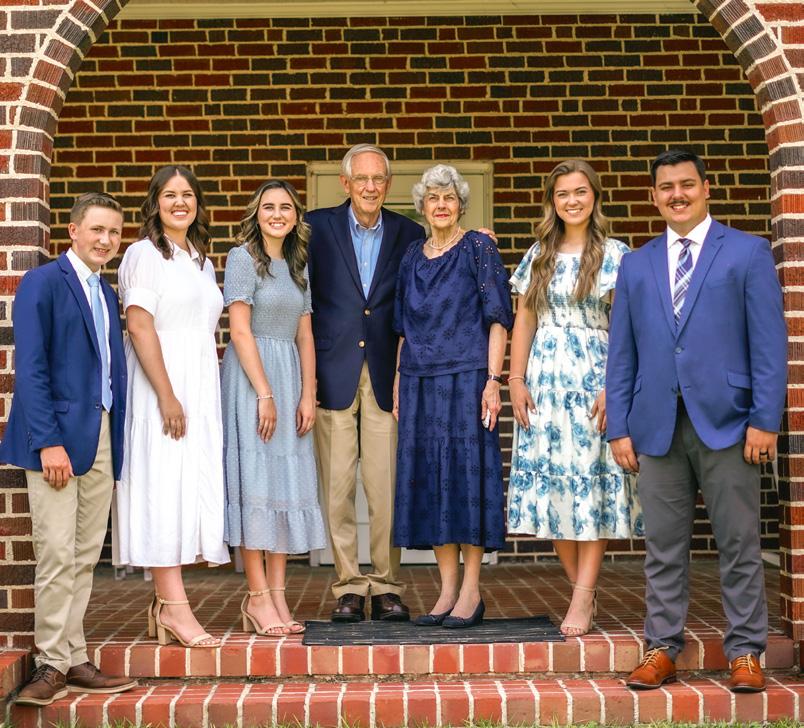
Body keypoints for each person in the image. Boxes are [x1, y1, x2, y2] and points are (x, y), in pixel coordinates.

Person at [607, 149, 787, 693]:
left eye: (687, 184)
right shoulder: (636, 264)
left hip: (730, 424)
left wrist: (765, 419)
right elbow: (622, 352)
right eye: (666, 187)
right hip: (656, 425)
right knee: (663, 547)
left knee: (739, 543)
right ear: (653, 196)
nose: (677, 195)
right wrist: (619, 426)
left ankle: (746, 652)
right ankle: (662, 647)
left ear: (707, 189)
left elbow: (769, 343)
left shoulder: (748, 252)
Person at [0, 193, 137, 705]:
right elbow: (31, 368)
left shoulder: (105, 292)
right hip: (56, 438)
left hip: (100, 434)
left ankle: (73, 656)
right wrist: (48, 442)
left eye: (113, 232)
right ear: (73, 231)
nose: (106, 240)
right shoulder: (43, 282)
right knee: (57, 553)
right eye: (97, 230)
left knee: (83, 555)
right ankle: (51, 663)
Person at [506, 160, 642, 636]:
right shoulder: (539, 253)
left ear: (594, 197)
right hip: (544, 382)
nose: (572, 201)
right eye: (562, 193)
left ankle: (582, 596)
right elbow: (524, 318)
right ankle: (582, 589)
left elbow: (627, 326)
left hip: (593, 378)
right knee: (554, 490)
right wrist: (515, 378)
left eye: (580, 192)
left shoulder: (616, 254)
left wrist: (614, 385)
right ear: (553, 201)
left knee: (590, 485)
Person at [114, 165, 230, 648]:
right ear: (154, 203)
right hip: (161, 385)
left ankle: (164, 605)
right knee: (161, 486)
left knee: (186, 487)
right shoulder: (144, 254)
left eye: (187, 194)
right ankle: (175, 607)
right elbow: (139, 326)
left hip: (198, 385)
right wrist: (166, 394)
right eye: (169, 195)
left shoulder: (200, 260)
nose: (179, 202)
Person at [393, 164, 513, 628]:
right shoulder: (411, 256)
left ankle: (471, 591)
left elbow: (498, 317)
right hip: (419, 381)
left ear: (461, 205)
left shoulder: (478, 248)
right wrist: (398, 382)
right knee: (432, 481)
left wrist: (493, 380)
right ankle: (446, 591)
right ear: (422, 207)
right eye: (433, 198)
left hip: (467, 379)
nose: (441, 205)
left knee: (466, 480)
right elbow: (403, 327)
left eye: (449, 197)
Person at [307, 144, 423, 623]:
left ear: (388, 185)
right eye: (362, 179)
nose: (371, 187)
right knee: (337, 489)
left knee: (384, 487)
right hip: (332, 370)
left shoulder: (409, 233)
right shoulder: (315, 228)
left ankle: (387, 585)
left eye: (378, 179)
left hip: (385, 372)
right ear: (346, 183)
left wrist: (476, 240)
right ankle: (350, 586)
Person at [221, 180, 326, 636]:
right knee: (256, 484)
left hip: (289, 376)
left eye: (286, 207)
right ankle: (257, 596)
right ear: (256, 213)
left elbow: (305, 335)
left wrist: (306, 393)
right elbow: (239, 331)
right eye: (269, 207)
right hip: (253, 379)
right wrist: (265, 392)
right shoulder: (242, 258)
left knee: (284, 485)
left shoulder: (298, 265)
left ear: (296, 216)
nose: (277, 214)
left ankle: (279, 596)